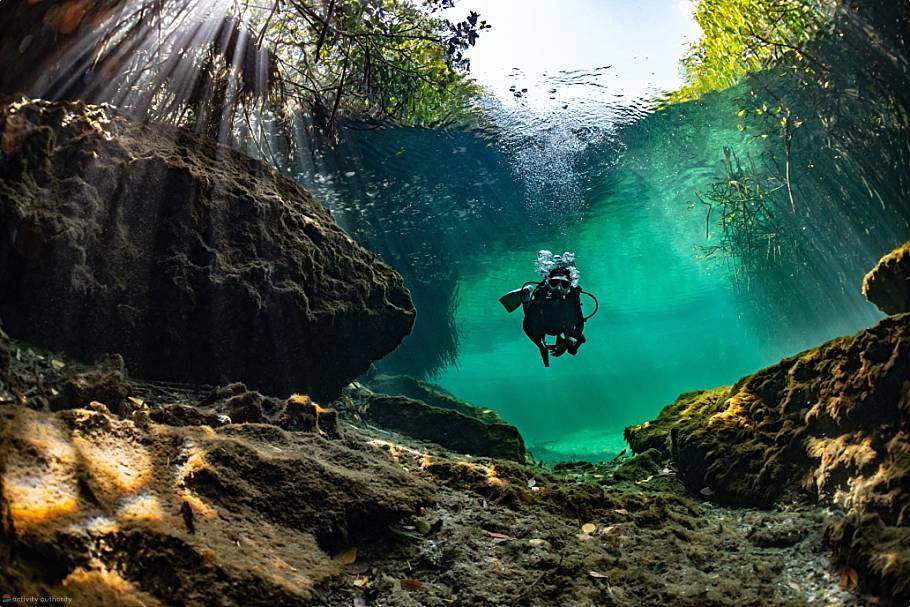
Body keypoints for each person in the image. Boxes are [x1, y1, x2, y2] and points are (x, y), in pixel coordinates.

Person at [499, 251, 597, 367]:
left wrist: (567, 343)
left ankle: (567, 342)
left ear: (569, 287)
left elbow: (579, 324)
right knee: (530, 312)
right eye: (554, 283)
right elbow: (528, 325)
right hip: (542, 320)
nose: (558, 288)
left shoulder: (572, 299)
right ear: (548, 283)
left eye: (564, 284)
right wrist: (541, 346)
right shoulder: (542, 296)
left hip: (562, 325)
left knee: (573, 349)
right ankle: (526, 292)